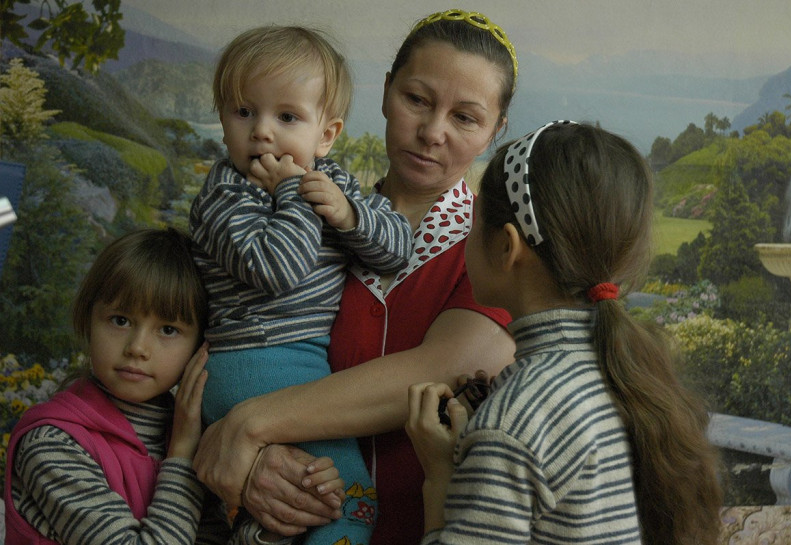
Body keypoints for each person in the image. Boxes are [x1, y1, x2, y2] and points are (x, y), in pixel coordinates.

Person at [192, 9, 520, 545]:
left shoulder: (497, 250)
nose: (432, 132)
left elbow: (443, 369)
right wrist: (248, 460)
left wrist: (247, 426)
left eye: (465, 118)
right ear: (386, 92)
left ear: (494, 131)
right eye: (417, 100)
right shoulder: (321, 214)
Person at [406, 121, 724, 544]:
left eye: (472, 225)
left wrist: (440, 477)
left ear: (506, 246)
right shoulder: (624, 373)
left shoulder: (513, 422)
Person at [188, 24, 413, 545]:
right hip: (252, 361)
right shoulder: (225, 195)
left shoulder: (332, 182)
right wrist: (293, 193)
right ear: (223, 119)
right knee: (348, 499)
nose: (262, 132)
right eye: (244, 112)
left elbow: (397, 250)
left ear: (326, 134)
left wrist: (350, 215)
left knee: (295, 499)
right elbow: (277, 269)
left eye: (287, 117)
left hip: (300, 364)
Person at [3, 228, 229, 544]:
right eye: (120, 320)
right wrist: (181, 457)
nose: (137, 347)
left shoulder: (188, 433)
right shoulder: (51, 443)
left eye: (168, 329)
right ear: (88, 320)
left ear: (200, 345)